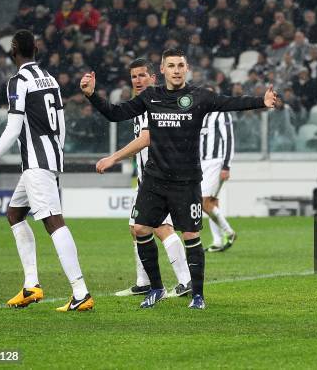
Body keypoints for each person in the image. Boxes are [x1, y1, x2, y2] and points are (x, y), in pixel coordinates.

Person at [81, 48, 277, 309]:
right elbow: (116, 113)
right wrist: (92, 95)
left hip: (186, 181)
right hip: (154, 179)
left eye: (180, 65)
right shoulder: (151, 96)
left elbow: (229, 102)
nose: (176, 70)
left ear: (187, 69)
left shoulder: (199, 97)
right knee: (140, 229)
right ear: (162, 70)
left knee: (191, 235)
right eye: (171, 65)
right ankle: (157, 288)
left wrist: (260, 102)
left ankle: (197, 295)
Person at [0, 30, 93, 312]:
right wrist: (58, 153)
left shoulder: (17, 81)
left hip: (36, 163)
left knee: (53, 221)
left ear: (14, 50)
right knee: (15, 214)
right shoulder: (50, 78)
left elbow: (14, 127)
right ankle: (31, 285)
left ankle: (80, 291)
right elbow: (61, 121)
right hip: (47, 158)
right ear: (36, 49)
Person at [94, 58, 192, 298]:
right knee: (135, 227)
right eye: (134, 77)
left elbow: (146, 139)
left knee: (160, 227)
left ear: (153, 77)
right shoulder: (141, 104)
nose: (137, 81)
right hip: (148, 178)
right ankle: (144, 282)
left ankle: (186, 279)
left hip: (162, 177)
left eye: (142, 75)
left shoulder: (157, 102)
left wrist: (114, 158)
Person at [199, 107, 237, 253]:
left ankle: (229, 232)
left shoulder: (222, 114)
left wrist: (226, 165)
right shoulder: (201, 113)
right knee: (212, 202)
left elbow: (229, 139)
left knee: (203, 202)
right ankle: (218, 241)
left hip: (216, 161)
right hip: (202, 163)